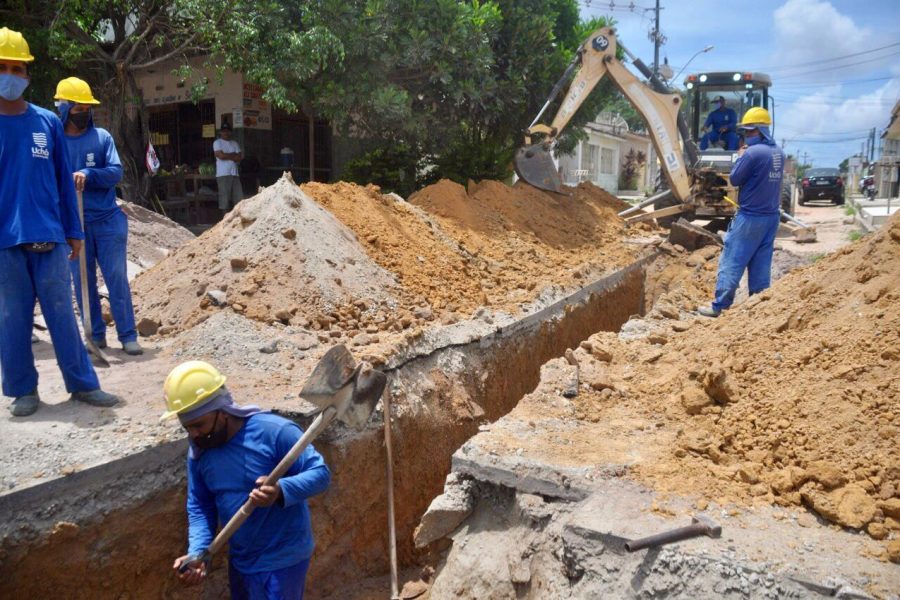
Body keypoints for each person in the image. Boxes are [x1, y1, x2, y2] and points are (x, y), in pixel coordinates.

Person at [0, 28, 120, 416]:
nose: (11, 75)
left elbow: (64, 185)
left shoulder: (46, 123)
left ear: (28, 75)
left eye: (17, 67)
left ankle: (83, 385)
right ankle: (23, 391)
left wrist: (74, 230)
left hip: (50, 235)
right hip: (5, 241)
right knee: (12, 320)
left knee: (63, 317)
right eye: (3, 67)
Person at [164, 361, 331, 599]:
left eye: (198, 425)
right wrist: (198, 552)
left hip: (283, 558)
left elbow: (320, 473)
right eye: (187, 427)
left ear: (222, 412)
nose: (194, 434)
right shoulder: (200, 452)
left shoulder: (275, 432)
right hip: (242, 560)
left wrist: (280, 490)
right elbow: (200, 505)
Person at [55, 77, 142, 356]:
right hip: (73, 225)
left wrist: (89, 174)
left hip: (107, 221)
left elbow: (116, 172)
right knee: (83, 283)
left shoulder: (102, 138)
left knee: (116, 277)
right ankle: (95, 335)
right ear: (65, 109)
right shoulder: (55, 143)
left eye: (87, 109)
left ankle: (128, 335)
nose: (84, 114)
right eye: (78, 109)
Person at [699, 107, 784, 318]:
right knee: (761, 262)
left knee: (732, 259)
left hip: (750, 217)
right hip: (771, 217)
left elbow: (735, 179)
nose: (746, 136)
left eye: (749, 132)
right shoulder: (780, 153)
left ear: (759, 131)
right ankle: (758, 305)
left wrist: (740, 157)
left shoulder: (752, 153)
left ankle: (719, 306)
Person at [213, 122, 243, 213]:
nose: (226, 133)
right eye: (224, 131)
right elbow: (220, 156)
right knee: (224, 200)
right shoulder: (217, 142)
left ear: (230, 132)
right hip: (223, 174)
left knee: (239, 199)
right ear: (220, 132)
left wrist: (227, 155)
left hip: (235, 174)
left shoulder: (234, 143)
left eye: (228, 131)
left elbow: (239, 157)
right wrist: (233, 155)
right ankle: (224, 222)